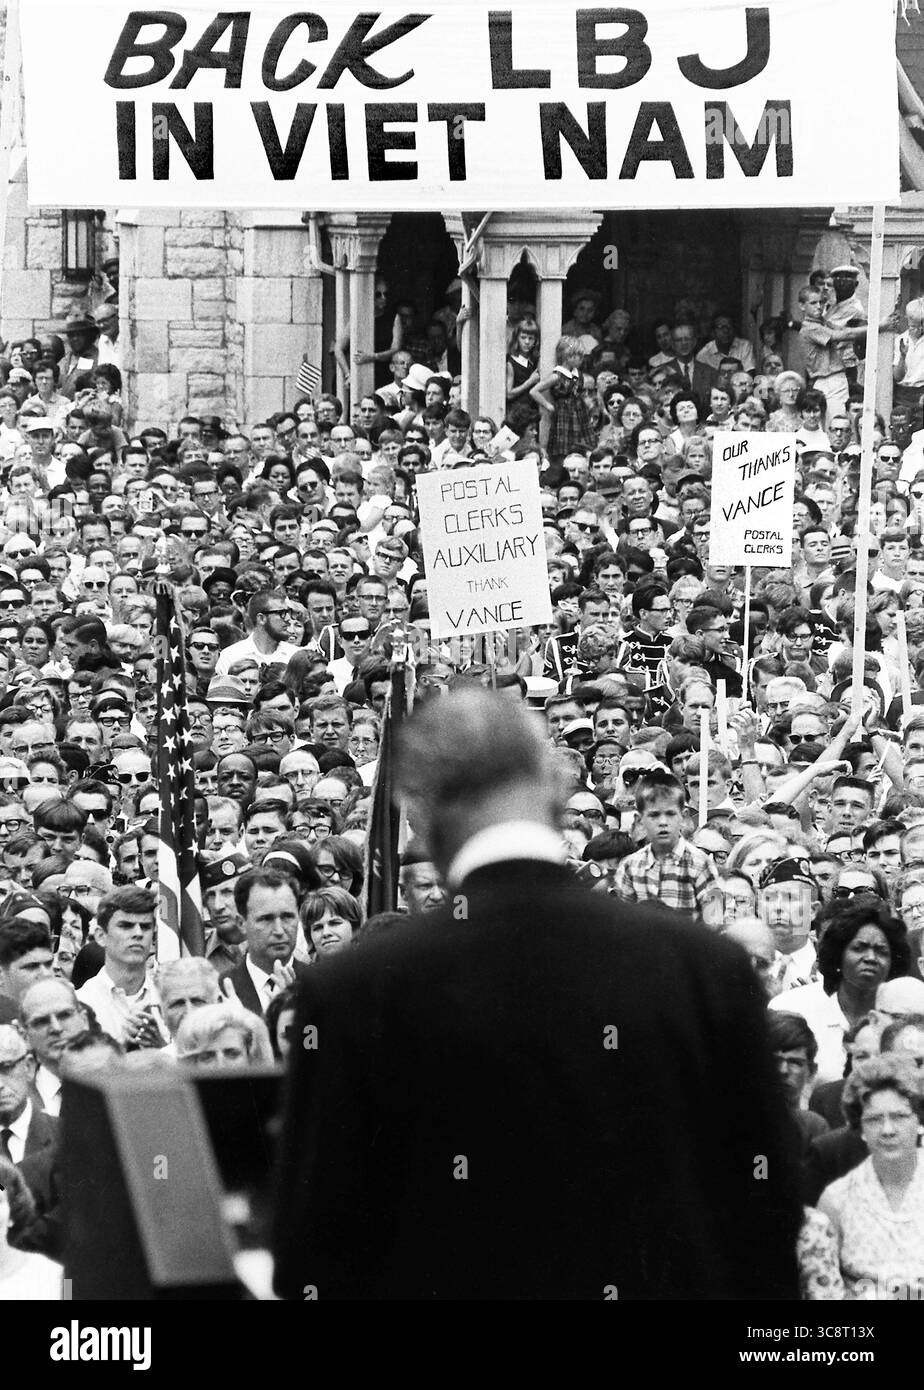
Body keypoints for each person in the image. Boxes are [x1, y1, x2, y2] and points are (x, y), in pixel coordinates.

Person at [273, 689, 801, 1300]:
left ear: (414, 808)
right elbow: (764, 1218)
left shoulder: (350, 993)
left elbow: (314, 1253)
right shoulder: (704, 968)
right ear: (552, 781)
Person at [814, 1055, 924, 1300]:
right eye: (874, 1119)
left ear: (919, 1120)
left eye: (899, 1116)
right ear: (859, 1127)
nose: (887, 1130)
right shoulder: (836, 1200)